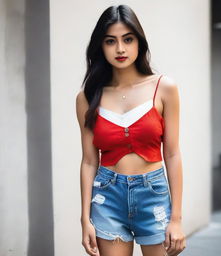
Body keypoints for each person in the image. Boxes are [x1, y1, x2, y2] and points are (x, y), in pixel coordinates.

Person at [76, 4, 186, 256]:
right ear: (100, 46)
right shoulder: (88, 96)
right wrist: (85, 219)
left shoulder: (164, 87)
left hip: (153, 195)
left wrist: (176, 219)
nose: (120, 49)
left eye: (128, 39)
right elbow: (89, 161)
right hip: (106, 198)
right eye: (110, 41)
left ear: (140, 42)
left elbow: (172, 154)